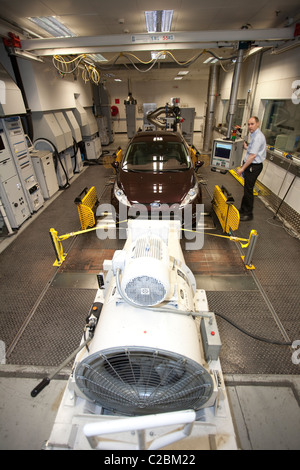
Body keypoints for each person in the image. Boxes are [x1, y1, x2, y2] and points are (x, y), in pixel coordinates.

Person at [236, 116, 266, 221]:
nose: (250, 126)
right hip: (251, 165)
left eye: (252, 124)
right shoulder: (254, 135)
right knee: (247, 189)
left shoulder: (258, 137)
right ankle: (243, 209)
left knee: (248, 190)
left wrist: (242, 169)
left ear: (258, 124)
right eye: (248, 124)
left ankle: (248, 214)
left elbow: (253, 156)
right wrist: (246, 147)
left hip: (254, 166)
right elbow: (253, 150)